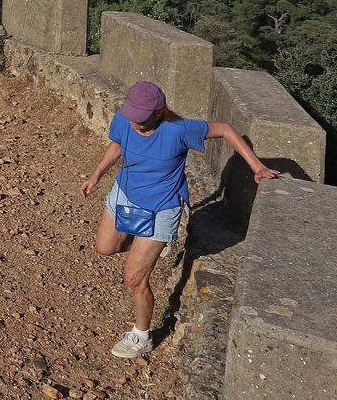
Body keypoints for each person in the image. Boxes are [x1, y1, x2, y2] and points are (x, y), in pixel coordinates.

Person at [79, 80, 280, 359]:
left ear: (159, 112)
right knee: (104, 247)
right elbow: (117, 144)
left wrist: (257, 167)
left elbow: (224, 129)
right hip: (123, 196)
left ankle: (142, 336)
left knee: (134, 278)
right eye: (132, 115)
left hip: (161, 209)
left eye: (142, 117)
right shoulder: (125, 119)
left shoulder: (179, 129)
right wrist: (96, 175)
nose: (135, 122)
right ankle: (150, 248)